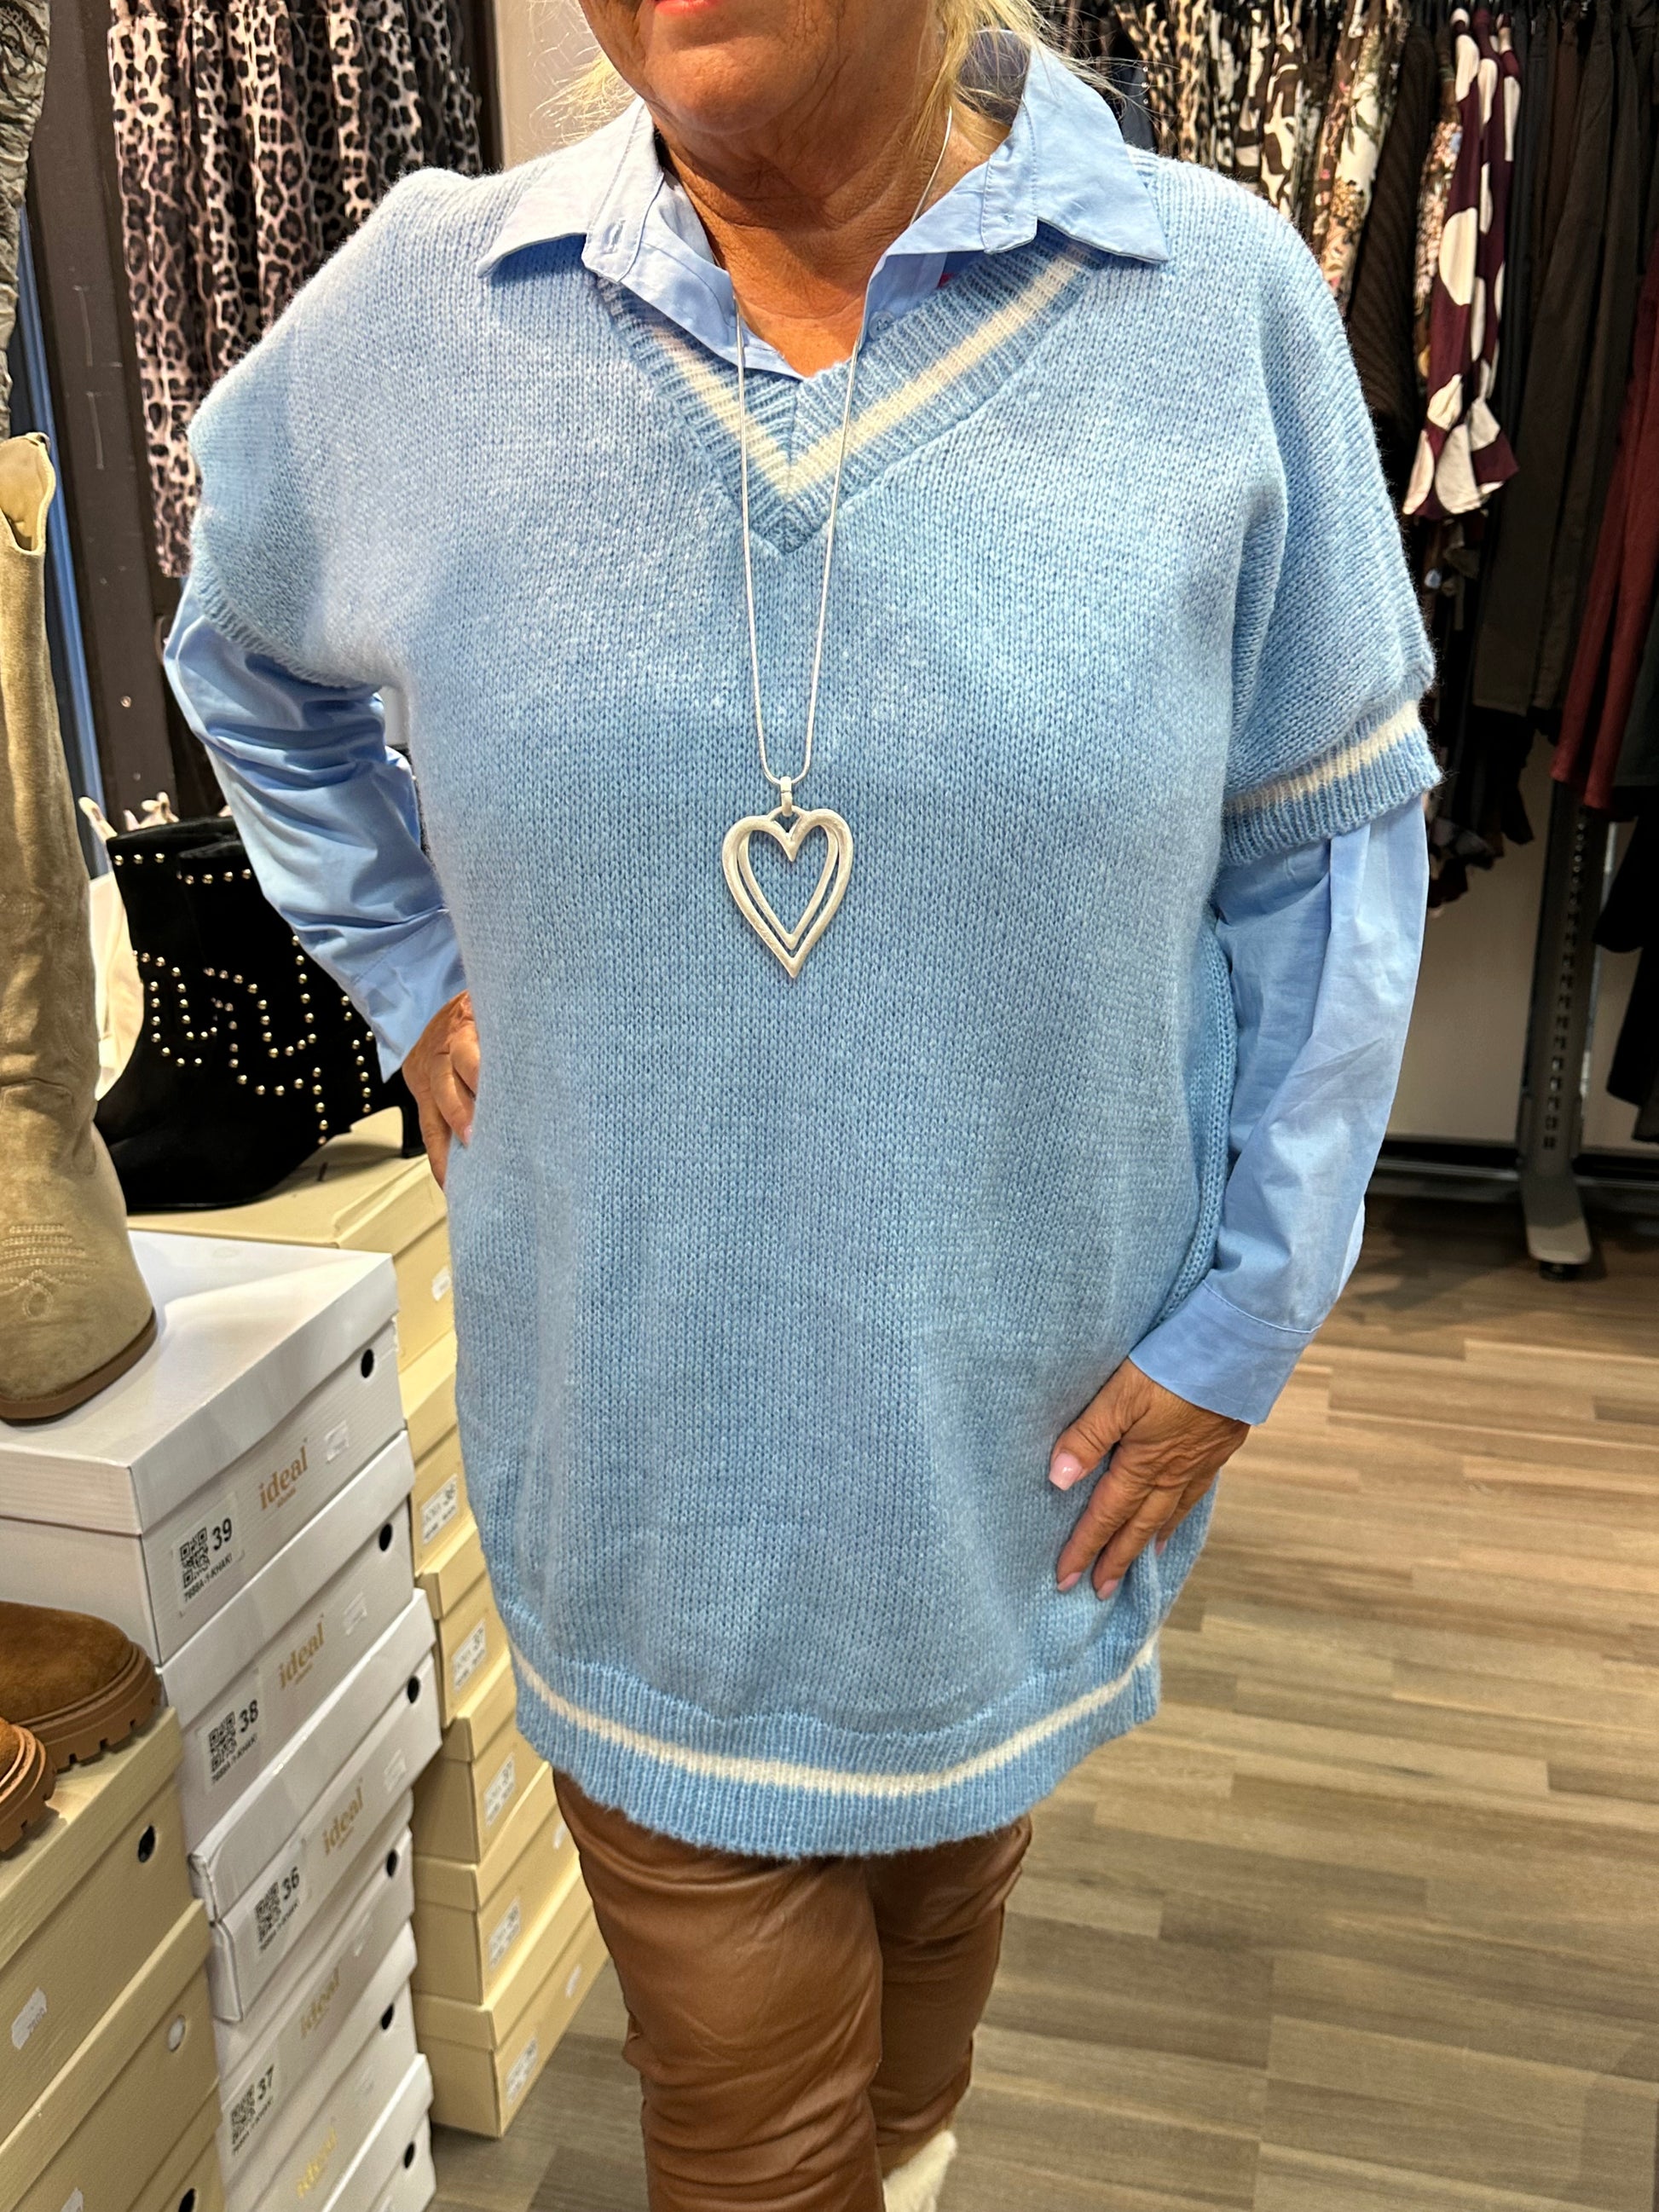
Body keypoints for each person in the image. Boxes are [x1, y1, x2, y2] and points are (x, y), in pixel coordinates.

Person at [165, 2, 1436, 2203]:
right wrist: (407, 965)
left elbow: (1319, 852)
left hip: (1025, 1471)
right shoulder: (437, 307)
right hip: (652, 1479)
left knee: (933, 1976)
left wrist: (1244, 1320)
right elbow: (242, 653)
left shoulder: (1205, 303)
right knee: (757, 2129)